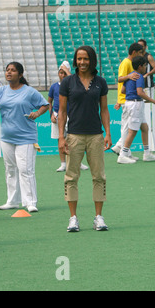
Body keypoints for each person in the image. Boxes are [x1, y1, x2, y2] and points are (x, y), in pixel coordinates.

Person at [58, 45, 112, 232]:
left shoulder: (101, 82)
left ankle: (99, 217)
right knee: (71, 177)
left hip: (96, 136)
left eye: (86, 59)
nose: (82, 62)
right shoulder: (68, 83)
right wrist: (61, 137)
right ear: (75, 61)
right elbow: (62, 111)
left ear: (92, 60)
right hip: (74, 136)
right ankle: (73, 218)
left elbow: (104, 110)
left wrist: (107, 133)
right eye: (79, 59)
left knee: (99, 177)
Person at [0, 62, 49, 212]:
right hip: (6, 137)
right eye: (7, 70)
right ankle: (12, 200)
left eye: (13, 70)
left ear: (20, 75)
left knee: (26, 169)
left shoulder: (29, 92)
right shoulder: (1, 91)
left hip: (26, 137)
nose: (9, 73)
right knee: (10, 169)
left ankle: (30, 202)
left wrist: (37, 113)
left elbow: (45, 105)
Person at [117, 56, 155, 164]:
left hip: (133, 103)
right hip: (135, 105)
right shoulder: (140, 77)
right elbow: (140, 92)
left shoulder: (130, 76)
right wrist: (154, 101)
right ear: (140, 66)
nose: (146, 67)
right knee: (132, 131)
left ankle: (147, 153)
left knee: (144, 127)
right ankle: (123, 154)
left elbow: (123, 90)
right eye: (145, 65)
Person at [48, 61, 88, 172]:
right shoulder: (54, 87)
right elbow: (49, 102)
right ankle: (63, 163)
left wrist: (67, 71)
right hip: (58, 115)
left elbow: (78, 84)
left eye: (65, 73)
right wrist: (51, 115)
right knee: (60, 139)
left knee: (75, 139)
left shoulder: (73, 85)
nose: (63, 75)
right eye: (61, 73)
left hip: (73, 114)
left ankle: (78, 163)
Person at [111, 43, 143, 160]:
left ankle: (126, 151)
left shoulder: (130, 63)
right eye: (140, 53)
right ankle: (122, 150)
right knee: (126, 127)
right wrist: (129, 77)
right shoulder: (126, 63)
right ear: (134, 52)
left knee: (129, 126)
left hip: (126, 99)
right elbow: (119, 79)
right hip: (127, 99)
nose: (141, 55)